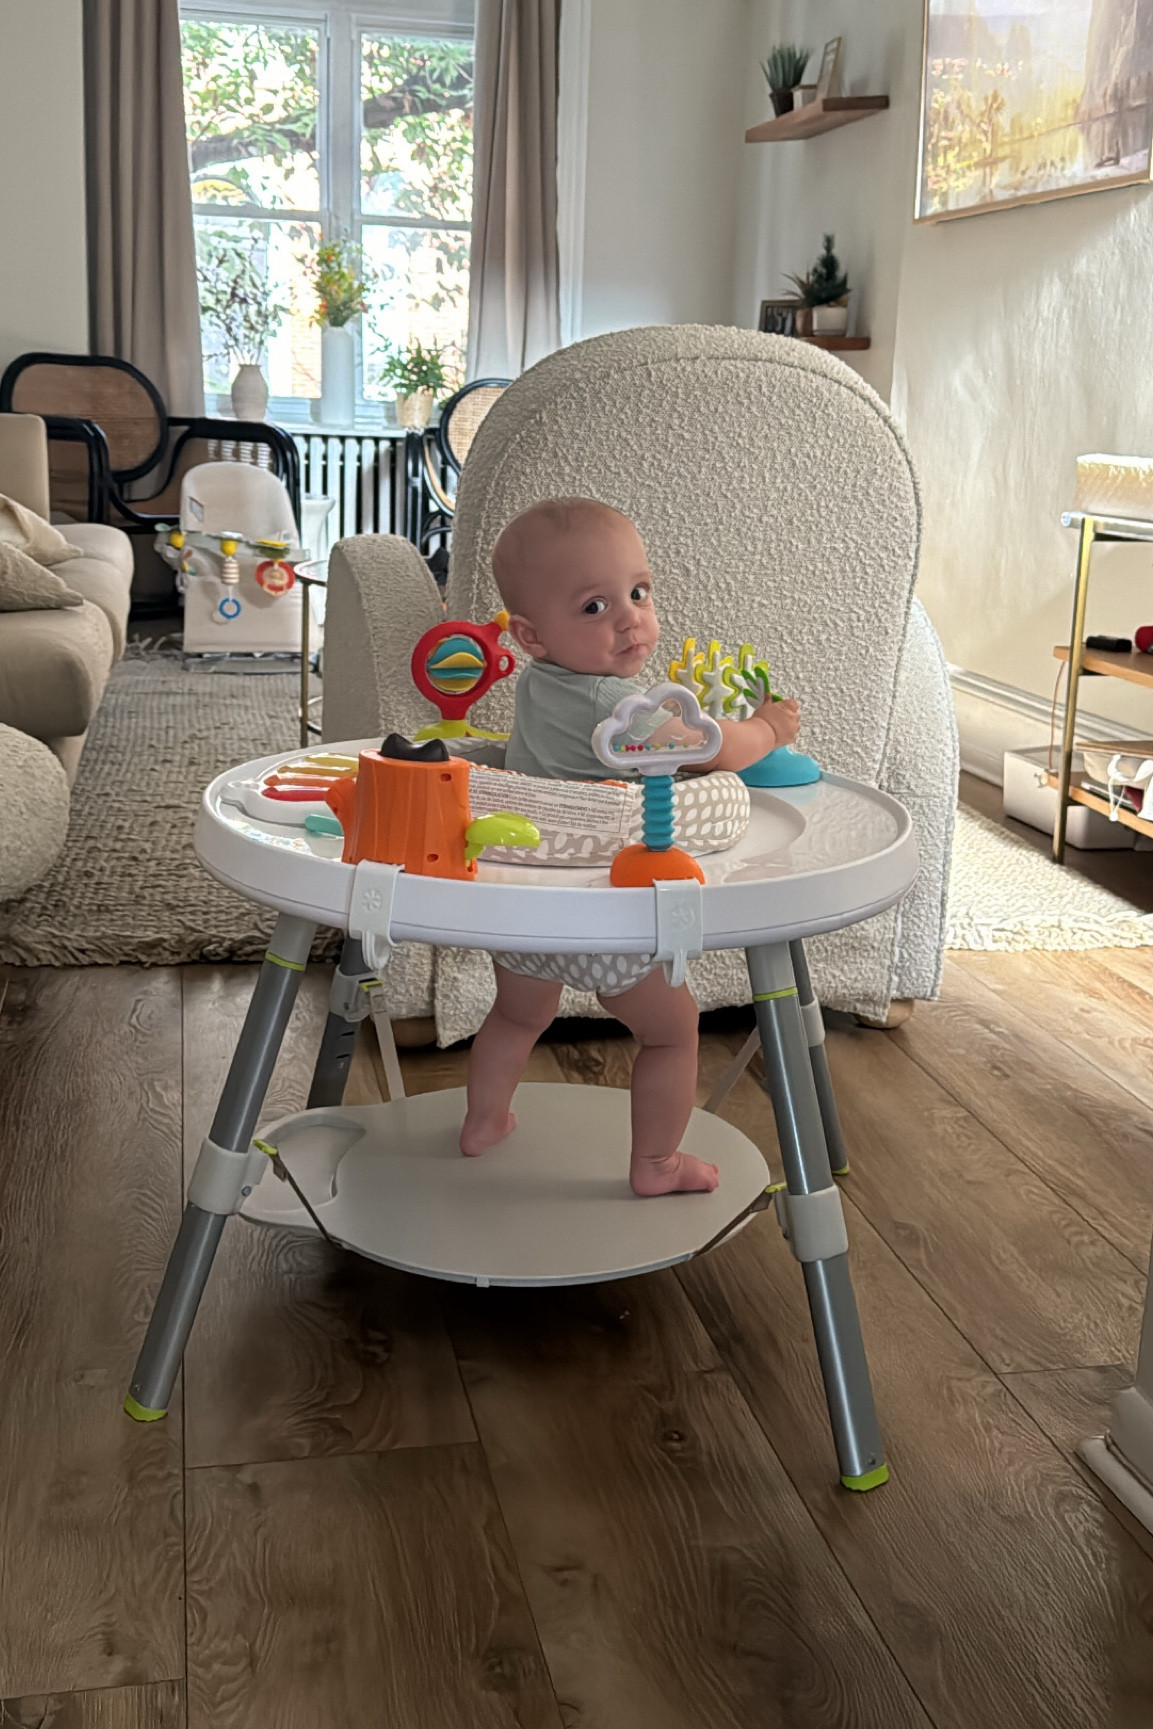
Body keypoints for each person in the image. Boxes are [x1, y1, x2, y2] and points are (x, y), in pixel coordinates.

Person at [460, 497, 800, 1195]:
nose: (629, 618)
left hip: (526, 909)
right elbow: (715, 749)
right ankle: (655, 1164)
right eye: (595, 606)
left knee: (517, 1014)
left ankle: (484, 1121)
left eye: (639, 592)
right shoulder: (616, 709)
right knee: (671, 1031)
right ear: (531, 634)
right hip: (599, 910)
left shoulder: (539, 686)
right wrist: (767, 728)